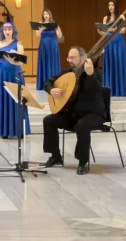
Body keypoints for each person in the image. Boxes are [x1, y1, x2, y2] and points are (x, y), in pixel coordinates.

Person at [41, 46, 105, 175]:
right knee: (48, 121)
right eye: (68, 57)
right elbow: (48, 81)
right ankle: (56, 156)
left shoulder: (92, 71)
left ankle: (83, 162)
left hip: (93, 113)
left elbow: (98, 89)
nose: (70, 60)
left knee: (82, 126)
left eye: (73, 57)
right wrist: (51, 90)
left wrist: (90, 74)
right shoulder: (68, 72)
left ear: (82, 58)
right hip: (74, 113)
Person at [0, 22, 31, 138]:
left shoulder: (18, 44)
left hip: (15, 74)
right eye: (5, 29)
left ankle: (19, 130)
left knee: (17, 100)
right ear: (2, 31)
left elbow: (21, 62)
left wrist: (12, 61)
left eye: (9, 29)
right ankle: (4, 131)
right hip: (2, 74)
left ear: (13, 31)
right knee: (2, 100)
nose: (7, 31)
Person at [100, 0, 126, 97]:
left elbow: (123, 30)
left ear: (115, 6)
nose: (110, 7)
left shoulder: (121, 16)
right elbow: (104, 33)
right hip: (109, 43)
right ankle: (109, 89)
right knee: (109, 63)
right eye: (109, 5)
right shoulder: (105, 18)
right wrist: (100, 30)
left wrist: (111, 29)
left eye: (112, 5)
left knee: (119, 63)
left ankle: (120, 90)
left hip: (118, 43)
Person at [35, 9, 63, 89]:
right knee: (44, 62)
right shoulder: (40, 24)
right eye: (44, 14)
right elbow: (37, 36)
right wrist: (40, 30)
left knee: (53, 62)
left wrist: (57, 30)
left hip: (53, 45)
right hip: (43, 45)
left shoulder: (54, 24)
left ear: (50, 15)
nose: (45, 15)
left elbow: (60, 36)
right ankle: (44, 83)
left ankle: (54, 82)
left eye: (47, 13)